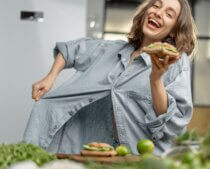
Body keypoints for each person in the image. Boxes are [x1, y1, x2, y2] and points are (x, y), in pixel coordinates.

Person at [23, 0, 197, 155]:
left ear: (174, 30)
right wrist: (50, 77)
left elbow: (172, 122)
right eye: (156, 5)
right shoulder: (111, 50)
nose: (158, 13)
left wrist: (156, 80)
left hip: (136, 158)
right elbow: (71, 49)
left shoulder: (175, 62)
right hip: (91, 152)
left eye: (169, 14)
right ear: (146, 13)